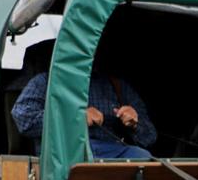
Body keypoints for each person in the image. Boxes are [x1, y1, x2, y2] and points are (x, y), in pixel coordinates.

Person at [11, 60, 158, 160]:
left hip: (112, 152)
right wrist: (76, 118)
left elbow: (150, 137)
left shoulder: (118, 86)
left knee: (143, 157)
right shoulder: (46, 81)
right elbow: (23, 119)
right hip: (64, 153)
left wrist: (134, 124)